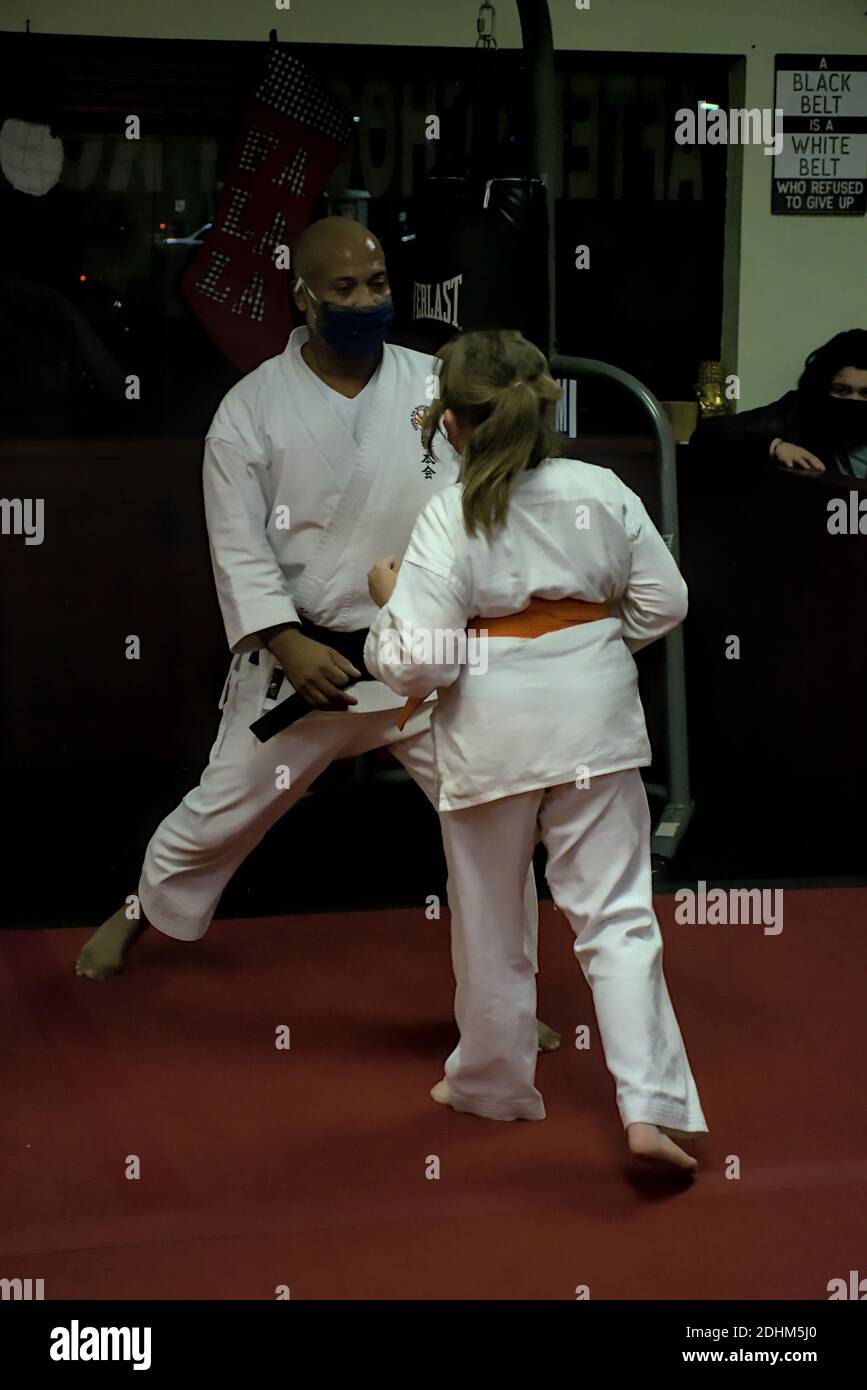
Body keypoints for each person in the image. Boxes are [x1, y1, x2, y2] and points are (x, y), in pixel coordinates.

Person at [73, 220, 558, 1051]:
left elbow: (492, 482)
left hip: (422, 657)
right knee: (222, 812)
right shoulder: (251, 408)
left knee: (492, 821)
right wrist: (285, 642)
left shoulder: (435, 384)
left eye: (377, 284)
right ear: (301, 296)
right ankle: (140, 907)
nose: (367, 301)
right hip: (307, 660)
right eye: (344, 289)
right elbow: (236, 541)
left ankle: (502, 1008)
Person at [365, 328, 707, 1173]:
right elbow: (665, 601)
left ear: (449, 423)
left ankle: (491, 1085)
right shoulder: (601, 488)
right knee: (618, 915)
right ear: (547, 402)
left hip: (492, 730)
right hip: (595, 719)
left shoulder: (448, 512)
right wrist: (581, 649)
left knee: (487, 914)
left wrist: (386, 603)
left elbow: (423, 662)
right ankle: (650, 1107)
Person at [690, 328, 867, 477]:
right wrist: (775, 446)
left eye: (866, 393)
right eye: (841, 390)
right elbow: (710, 433)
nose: (854, 400)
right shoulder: (801, 409)